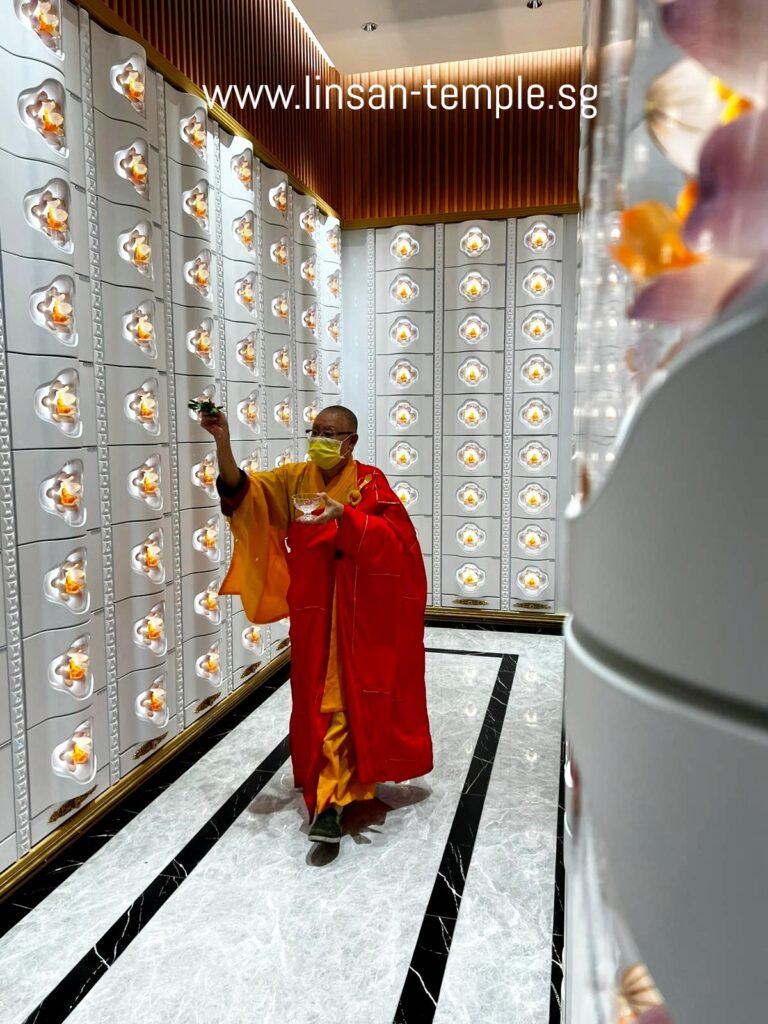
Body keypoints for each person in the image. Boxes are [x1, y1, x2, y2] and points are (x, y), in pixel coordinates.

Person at [200, 404, 433, 845]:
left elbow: (399, 542)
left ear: (351, 443)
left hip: (356, 612)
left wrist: (346, 516)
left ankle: (331, 800)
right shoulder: (293, 479)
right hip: (310, 610)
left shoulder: (369, 483)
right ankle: (330, 778)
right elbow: (242, 495)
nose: (321, 439)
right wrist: (222, 442)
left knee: (341, 696)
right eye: (316, 431)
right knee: (312, 694)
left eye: (331, 433)